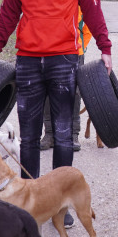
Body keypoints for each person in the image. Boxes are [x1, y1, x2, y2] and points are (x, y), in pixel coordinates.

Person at [0, 0, 112, 229]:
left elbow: (92, 6)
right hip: (28, 60)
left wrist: (104, 46)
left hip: (64, 59)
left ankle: (59, 205)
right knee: (29, 137)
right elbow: (9, 12)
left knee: (63, 134)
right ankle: (29, 204)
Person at [40, 10, 92, 153]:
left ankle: (72, 135)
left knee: (74, 93)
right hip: (49, 50)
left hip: (75, 52)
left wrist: (80, 46)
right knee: (48, 91)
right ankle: (50, 134)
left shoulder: (80, 0)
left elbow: (87, 28)